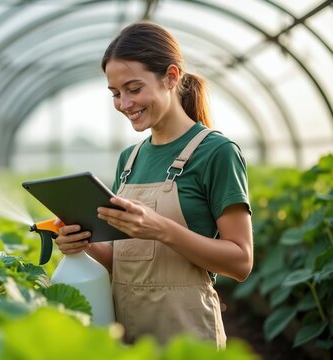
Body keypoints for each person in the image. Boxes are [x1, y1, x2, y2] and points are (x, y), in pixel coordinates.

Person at [54, 21, 253, 349]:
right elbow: (128, 259)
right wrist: (84, 243)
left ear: (171, 77)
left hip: (185, 336)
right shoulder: (128, 159)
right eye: (115, 93)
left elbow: (241, 262)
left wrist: (161, 228)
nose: (124, 103)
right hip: (127, 332)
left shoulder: (216, 152)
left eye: (134, 89)